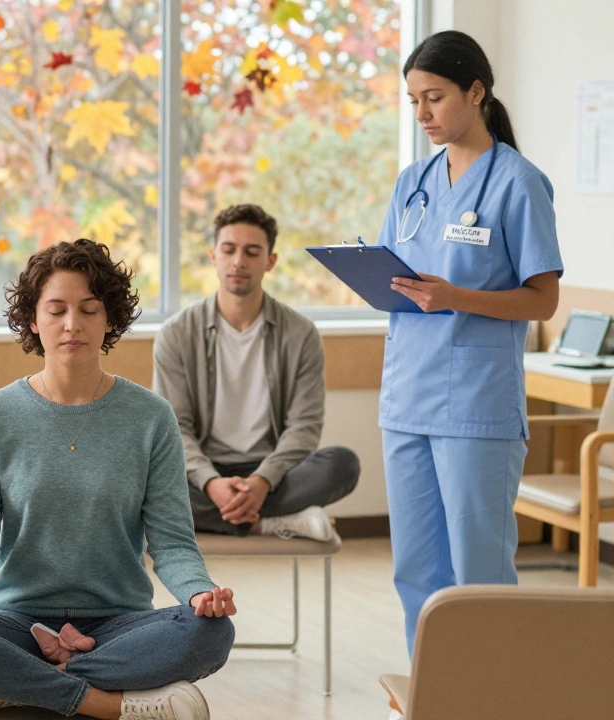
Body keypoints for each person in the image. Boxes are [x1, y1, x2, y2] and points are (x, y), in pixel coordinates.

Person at [0, 240, 236, 720]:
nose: (72, 324)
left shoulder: (151, 418)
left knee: (213, 633)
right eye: (55, 310)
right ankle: (107, 702)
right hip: (18, 622)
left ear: (109, 319)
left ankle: (11, 685)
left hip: (120, 623)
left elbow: (174, 543)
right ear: (33, 320)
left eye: (89, 310)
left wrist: (201, 594)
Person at [379, 30, 562, 654]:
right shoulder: (413, 183)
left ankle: (487, 694)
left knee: (476, 573)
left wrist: (457, 296)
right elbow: (402, 274)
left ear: (476, 91)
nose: (423, 114)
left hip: (476, 406)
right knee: (416, 573)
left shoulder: (518, 183)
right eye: (413, 101)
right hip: (407, 396)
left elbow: (544, 299)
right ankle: (433, 693)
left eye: (434, 97)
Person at [153, 204, 360, 542]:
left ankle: (234, 514)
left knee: (343, 465)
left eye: (252, 252)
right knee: (136, 479)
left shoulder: (300, 333)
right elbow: (174, 428)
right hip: (202, 473)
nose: (239, 261)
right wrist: (211, 483)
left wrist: (262, 481)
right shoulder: (176, 333)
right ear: (212, 255)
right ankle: (268, 523)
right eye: (229, 249)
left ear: (270, 261)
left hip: (274, 472)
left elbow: (304, 427)